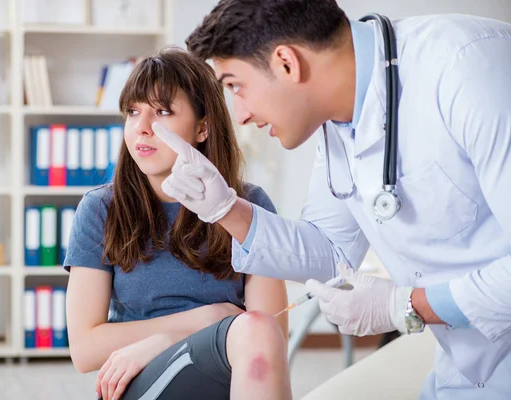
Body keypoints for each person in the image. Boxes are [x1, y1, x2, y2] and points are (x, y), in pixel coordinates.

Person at [152, 0, 511, 398]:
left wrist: (406, 306)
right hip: (464, 375)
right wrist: (225, 210)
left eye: (236, 86)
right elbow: (330, 254)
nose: (240, 116)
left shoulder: (467, 66)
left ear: (287, 63)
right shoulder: (338, 124)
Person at [63, 47, 292, 400]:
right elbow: (85, 349)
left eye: (162, 112)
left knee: (257, 334)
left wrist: (165, 339)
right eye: (133, 112)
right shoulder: (100, 209)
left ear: (202, 127)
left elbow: (270, 336)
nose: (141, 128)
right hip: (142, 381)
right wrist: (204, 320)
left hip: (225, 376)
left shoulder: (250, 206)